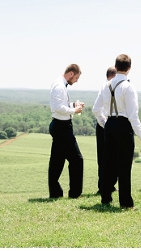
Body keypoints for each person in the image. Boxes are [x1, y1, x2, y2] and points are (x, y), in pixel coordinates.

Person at [93, 54, 141, 209]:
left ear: (116, 66)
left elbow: (95, 109)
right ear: (129, 68)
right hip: (124, 125)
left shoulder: (106, 85)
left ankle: (105, 198)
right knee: (124, 165)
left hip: (110, 124)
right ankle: (125, 202)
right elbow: (133, 116)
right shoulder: (128, 87)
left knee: (108, 163)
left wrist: (105, 124)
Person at [48, 64, 84, 198]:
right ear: (71, 74)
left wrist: (73, 105)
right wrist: (74, 110)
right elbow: (58, 108)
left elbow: (61, 106)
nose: (76, 81)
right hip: (62, 127)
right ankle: (75, 193)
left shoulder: (60, 85)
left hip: (60, 126)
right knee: (77, 159)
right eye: (76, 78)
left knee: (57, 160)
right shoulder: (59, 86)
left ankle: (55, 193)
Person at [91, 66, 117, 194]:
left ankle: (111, 185)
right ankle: (103, 186)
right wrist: (105, 124)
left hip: (109, 126)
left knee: (111, 157)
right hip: (104, 127)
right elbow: (97, 109)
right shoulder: (104, 87)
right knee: (103, 157)